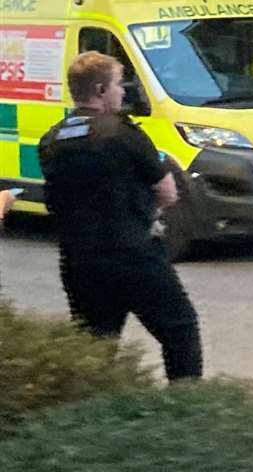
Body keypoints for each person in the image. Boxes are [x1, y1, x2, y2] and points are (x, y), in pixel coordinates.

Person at [38, 51, 203, 381]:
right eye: (118, 84)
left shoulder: (52, 140)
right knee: (180, 330)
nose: (124, 91)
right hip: (133, 255)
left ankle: (96, 412)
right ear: (100, 90)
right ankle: (185, 408)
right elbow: (168, 192)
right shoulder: (124, 135)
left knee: (96, 347)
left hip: (79, 262)